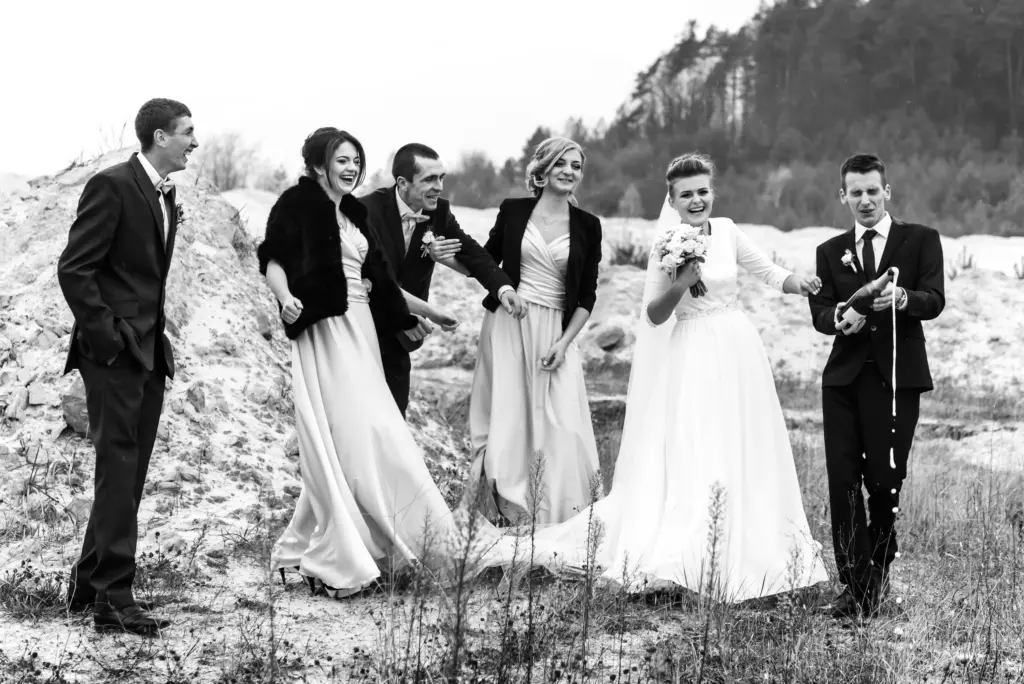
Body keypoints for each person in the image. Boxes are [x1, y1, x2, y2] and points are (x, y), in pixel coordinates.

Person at [526, 153, 829, 602]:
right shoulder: (666, 244)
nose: (697, 200)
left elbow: (766, 271)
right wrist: (682, 282)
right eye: (686, 194)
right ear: (672, 200)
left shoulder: (727, 231)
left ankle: (749, 542)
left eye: (703, 191)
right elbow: (653, 315)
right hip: (692, 350)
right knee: (698, 442)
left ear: (713, 192)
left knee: (742, 439)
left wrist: (798, 283)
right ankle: (692, 552)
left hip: (737, 348)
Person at [258, 128, 507, 597]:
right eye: (342, 160)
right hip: (323, 330)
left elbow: (384, 282)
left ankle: (319, 546)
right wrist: (286, 298)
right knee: (366, 431)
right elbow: (273, 259)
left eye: (356, 160)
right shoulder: (296, 204)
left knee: (358, 435)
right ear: (318, 165)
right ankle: (344, 553)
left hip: (363, 330)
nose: (351, 168)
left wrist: (429, 313)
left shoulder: (354, 212)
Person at [57, 98, 197, 635]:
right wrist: (108, 338)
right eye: (187, 132)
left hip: (149, 350)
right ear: (160, 136)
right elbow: (75, 268)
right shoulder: (112, 185)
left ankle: (88, 585)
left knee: (129, 473)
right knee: (118, 468)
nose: (194, 142)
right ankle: (114, 598)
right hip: (114, 352)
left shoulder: (167, 193)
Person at [809, 153, 944, 618]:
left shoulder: (921, 239)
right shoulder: (830, 250)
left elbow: (934, 300)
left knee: (885, 482)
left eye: (872, 190)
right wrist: (837, 317)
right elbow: (820, 313)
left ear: (887, 191)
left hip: (898, 379)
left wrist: (903, 298)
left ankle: (880, 565)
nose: (865, 200)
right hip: (843, 381)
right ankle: (857, 588)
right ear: (842, 196)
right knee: (843, 483)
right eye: (856, 192)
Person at [461, 136, 602, 526]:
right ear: (542, 170)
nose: (569, 171)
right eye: (561, 163)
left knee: (564, 422)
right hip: (509, 323)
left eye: (576, 166)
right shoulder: (513, 210)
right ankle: (513, 511)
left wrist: (565, 342)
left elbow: (587, 295)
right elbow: (485, 262)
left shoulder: (589, 226)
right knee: (509, 416)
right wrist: (447, 259)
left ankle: (564, 515)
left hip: (556, 331)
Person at [359, 143, 524, 417]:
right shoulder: (366, 210)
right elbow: (373, 278)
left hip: (399, 338)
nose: (439, 187)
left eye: (441, 178)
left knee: (394, 417)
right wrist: (424, 313)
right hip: (362, 326)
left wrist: (503, 287)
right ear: (402, 183)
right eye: (429, 179)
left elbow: (472, 253)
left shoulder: (438, 212)